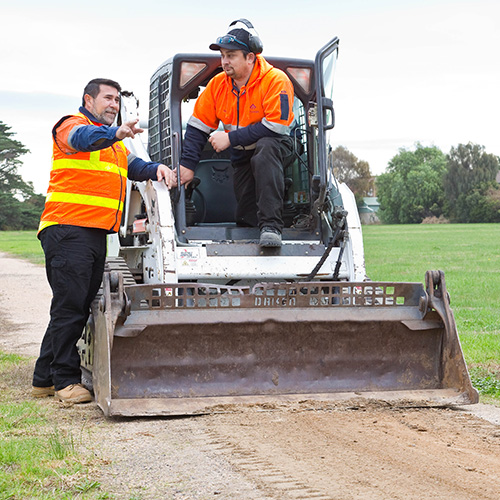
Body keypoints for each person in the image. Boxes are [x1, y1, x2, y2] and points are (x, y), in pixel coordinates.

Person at [32, 78, 173, 404]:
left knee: (74, 306)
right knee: (70, 307)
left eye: (116, 100)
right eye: (107, 98)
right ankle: (65, 382)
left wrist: (157, 169)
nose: (113, 104)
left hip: (92, 232)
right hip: (68, 229)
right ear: (88, 99)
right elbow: (83, 139)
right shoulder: (73, 126)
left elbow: (133, 166)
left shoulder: (113, 145)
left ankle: (44, 379)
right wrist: (116, 132)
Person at [177, 19, 295, 247]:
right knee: (245, 212)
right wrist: (188, 165)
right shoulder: (218, 85)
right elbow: (197, 126)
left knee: (266, 148)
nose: (224, 61)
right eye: (223, 55)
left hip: (276, 148)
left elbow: (275, 126)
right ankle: (253, 240)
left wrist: (229, 138)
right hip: (241, 156)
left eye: (231, 55)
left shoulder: (275, 80)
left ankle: (272, 227)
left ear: (250, 57)